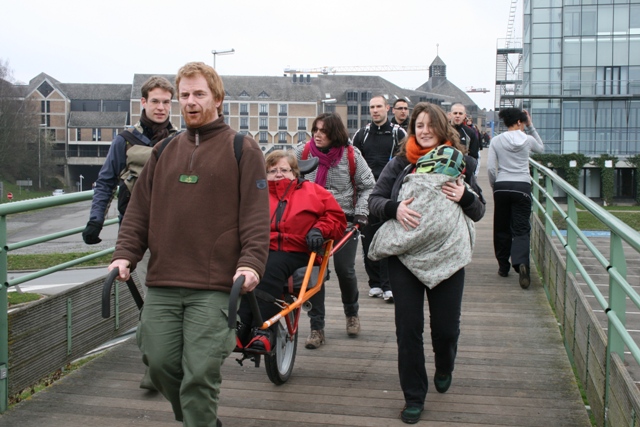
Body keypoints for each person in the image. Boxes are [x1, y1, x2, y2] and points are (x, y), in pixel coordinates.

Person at [108, 62, 270, 427]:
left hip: (215, 287)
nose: (191, 102)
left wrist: (251, 264)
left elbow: (257, 219)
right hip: (164, 283)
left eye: (199, 94)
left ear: (217, 98)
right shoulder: (164, 151)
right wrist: (124, 256)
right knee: (160, 362)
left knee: (199, 374)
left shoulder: (243, 149)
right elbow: (138, 213)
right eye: (185, 95)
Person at [368, 102, 485, 424]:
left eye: (430, 124)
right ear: (413, 129)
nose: (424, 130)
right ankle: (414, 397)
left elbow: (479, 211)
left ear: (442, 128)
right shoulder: (401, 164)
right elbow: (374, 200)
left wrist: (465, 196)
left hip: (448, 255)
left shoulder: (464, 164)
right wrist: (395, 209)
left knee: (446, 329)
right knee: (408, 330)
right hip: (405, 255)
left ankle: (445, 365)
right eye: (419, 125)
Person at [236, 150, 346, 351]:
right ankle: (240, 328)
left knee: (268, 267)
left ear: (295, 173)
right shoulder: (255, 193)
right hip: (261, 247)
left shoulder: (313, 192)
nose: (278, 174)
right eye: (272, 170)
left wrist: (319, 229)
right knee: (247, 267)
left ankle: (262, 331)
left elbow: (337, 219)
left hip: (298, 249)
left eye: (284, 170)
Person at [82, 76, 178, 292]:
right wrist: (96, 221)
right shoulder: (124, 140)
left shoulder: (180, 140)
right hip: (137, 228)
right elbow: (106, 182)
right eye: (155, 101)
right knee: (151, 292)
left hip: (174, 229)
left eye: (166, 102)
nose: (161, 107)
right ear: (143, 102)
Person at [294, 112, 375, 349]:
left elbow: (368, 186)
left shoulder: (352, 155)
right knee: (314, 274)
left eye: (323, 131)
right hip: (312, 223)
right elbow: (289, 181)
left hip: (345, 221)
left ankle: (352, 313)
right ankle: (316, 328)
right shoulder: (302, 153)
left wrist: (362, 212)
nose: (317, 135)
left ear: (335, 133)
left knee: (345, 270)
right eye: (315, 130)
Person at [353, 95, 407, 303]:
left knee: (387, 237)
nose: (375, 110)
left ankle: (388, 285)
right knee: (367, 239)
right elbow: (353, 161)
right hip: (366, 193)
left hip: (389, 193)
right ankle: (374, 283)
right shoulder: (362, 134)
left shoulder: (397, 133)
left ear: (387, 109)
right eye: (372, 107)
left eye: (379, 107)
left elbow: (406, 160)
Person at [487, 107, 544, 289]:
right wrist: (531, 126)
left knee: (501, 227)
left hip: (502, 186)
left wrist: (495, 185)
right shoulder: (527, 140)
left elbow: (489, 167)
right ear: (520, 122)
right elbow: (541, 149)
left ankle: (503, 266)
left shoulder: (496, 140)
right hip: (522, 187)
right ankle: (521, 264)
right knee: (521, 228)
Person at [449, 103, 480, 174]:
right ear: (450, 115)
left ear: (464, 116)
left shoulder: (470, 133)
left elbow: (474, 156)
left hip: (463, 172)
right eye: (455, 113)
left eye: (460, 113)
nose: (457, 116)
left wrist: (470, 172)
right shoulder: (442, 130)